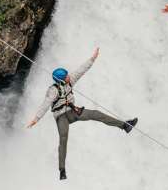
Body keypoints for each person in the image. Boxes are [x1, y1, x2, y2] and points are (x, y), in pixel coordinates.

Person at [25, 47, 138, 181]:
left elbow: (81, 70)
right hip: (61, 117)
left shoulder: (70, 80)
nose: (68, 76)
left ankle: (124, 126)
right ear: (61, 80)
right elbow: (46, 104)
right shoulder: (53, 91)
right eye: (66, 76)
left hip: (73, 112)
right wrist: (36, 119)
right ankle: (62, 170)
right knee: (63, 138)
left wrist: (92, 59)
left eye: (67, 75)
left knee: (95, 114)